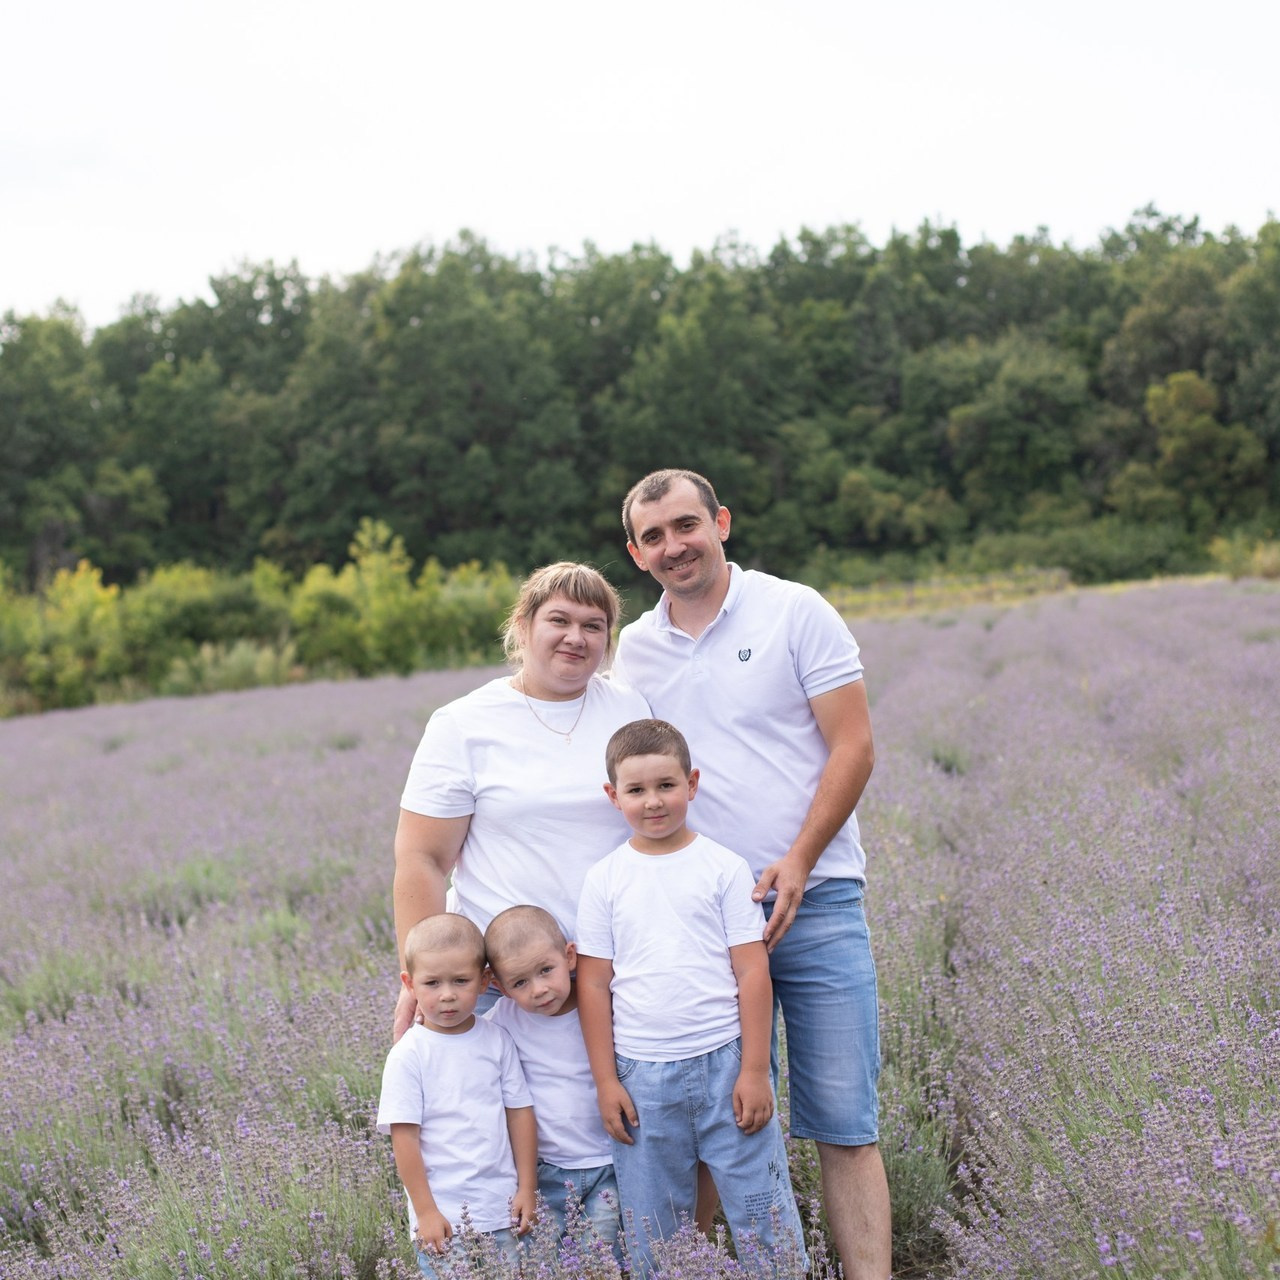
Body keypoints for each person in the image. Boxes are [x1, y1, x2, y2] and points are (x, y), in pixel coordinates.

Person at [612, 469, 891, 1280]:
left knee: (844, 1122)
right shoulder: (636, 649)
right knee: (700, 1124)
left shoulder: (794, 610)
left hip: (819, 897)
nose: (675, 546)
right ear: (637, 553)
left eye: (687, 525)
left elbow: (855, 745)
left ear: (722, 522)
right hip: (700, 920)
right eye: (655, 536)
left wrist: (800, 860)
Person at [575, 718, 805, 1276]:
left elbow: (752, 973)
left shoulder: (722, 868)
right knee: (657, 1229)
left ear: (692, 783)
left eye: (666, 785)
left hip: (724, 1065)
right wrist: (606, 1081)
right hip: (641, 1077)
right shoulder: (604, 879)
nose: (653, 801)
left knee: (763, 1215)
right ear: (614, 796)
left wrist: (755, 1070)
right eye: (636, 790)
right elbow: (593, 983)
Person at [393, 561, 651, 1039]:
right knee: (502, 1113)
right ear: (523, 625)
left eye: (593, 626)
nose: (577, 636)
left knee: (618, 1113)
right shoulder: (463, 724)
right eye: (559, 620)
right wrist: (420, 978)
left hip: (619, 971)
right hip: (505, 981)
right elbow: (421, 859)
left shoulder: (630, 709)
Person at [377, 914, 537, 1279]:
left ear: (484, 981)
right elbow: (404, 1138)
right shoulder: (409, 1054)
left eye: (460, 981)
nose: (447, 994)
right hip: (443, 1218)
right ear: (410, 984)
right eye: (432, 983)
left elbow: (520, 1113)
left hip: (501, 1212)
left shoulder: (497, 1040)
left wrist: (527, 1187)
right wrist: (425, 1211)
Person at [484, 905, 621, 1256]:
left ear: (570, 956)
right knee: (542, 1260)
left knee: (601, 1259)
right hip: (544, 1173)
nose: (539, 989)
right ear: (499, 986)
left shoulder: (601, 1004)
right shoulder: (504, 1019)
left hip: (611, 1165)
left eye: (546, 970)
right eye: (520, 982)